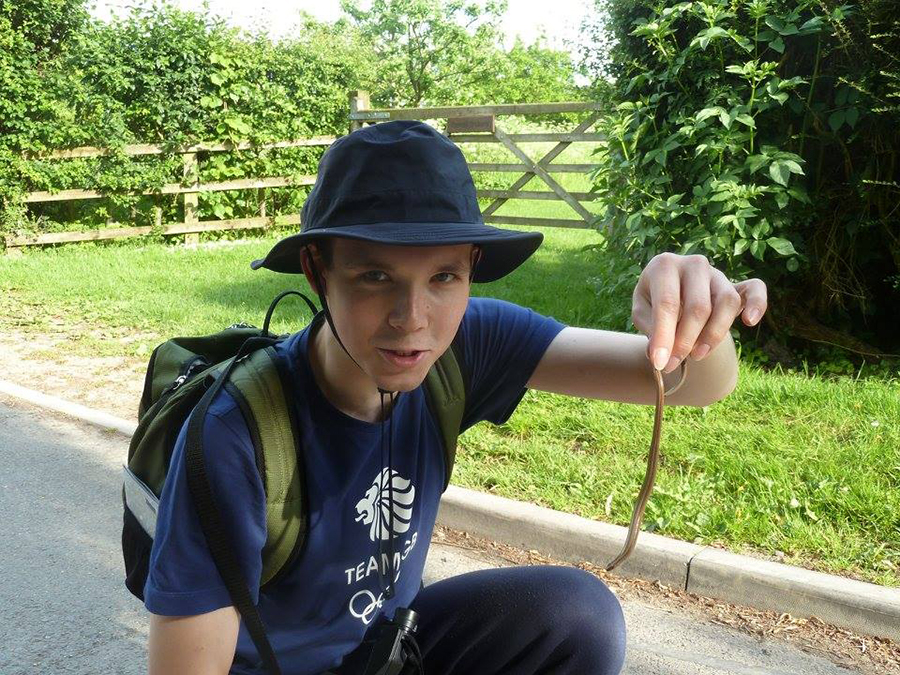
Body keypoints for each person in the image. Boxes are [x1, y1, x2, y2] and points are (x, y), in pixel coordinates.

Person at [142, 120, 768, 675]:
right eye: (374, 276)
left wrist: (695, 314)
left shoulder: (466, 344)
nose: (412, 319)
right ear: (316, 271)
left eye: (444, 277)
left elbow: (698, 386)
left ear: (470, 268)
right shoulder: (233, 435)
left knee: (577, 616)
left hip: (388, 650)